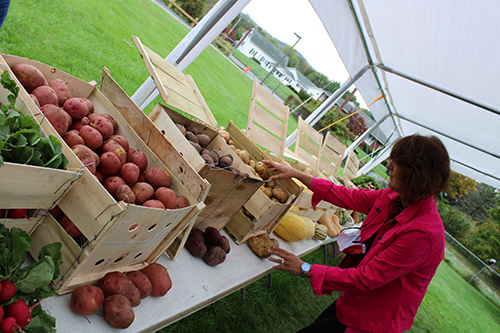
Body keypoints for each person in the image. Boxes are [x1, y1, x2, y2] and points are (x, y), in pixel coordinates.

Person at [263, 134, 450, 333]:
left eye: (397, 162)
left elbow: (367, 278)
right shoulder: (396, 198)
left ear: (416, 174)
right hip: (353, 303)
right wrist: (298, 175)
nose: (388, 166)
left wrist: (306, 268)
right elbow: (348, 196)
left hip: (371, 320)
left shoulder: (423, 234)